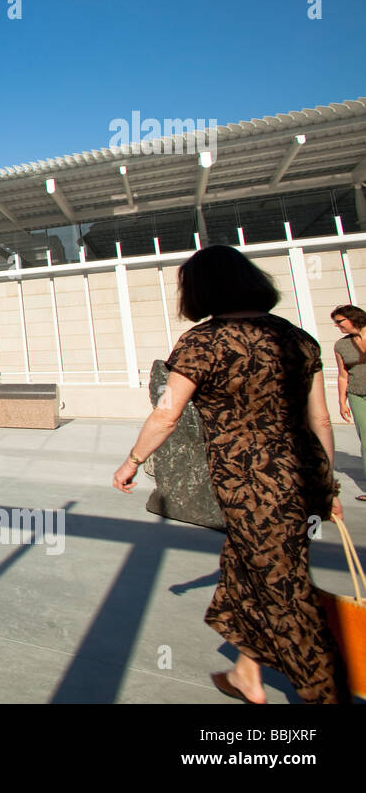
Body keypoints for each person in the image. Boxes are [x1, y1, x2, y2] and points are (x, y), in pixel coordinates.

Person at [113, 245, 346, 704]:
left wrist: (133, 460)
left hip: (250, 486)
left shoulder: (204, 342)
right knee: (247, 569)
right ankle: (246, 674)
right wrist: (327, 483)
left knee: (286, 594)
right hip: (301, 476)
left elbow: (166, 414)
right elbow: (320, 420)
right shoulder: (299, 339)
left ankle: (326, 694)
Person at [330, 304, 366, 502]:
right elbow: (343, 375)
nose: (337, 326)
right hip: (357, 395)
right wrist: (342, 402)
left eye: (340, 321)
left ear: (354, 318)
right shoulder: (341, 345)